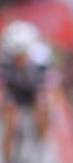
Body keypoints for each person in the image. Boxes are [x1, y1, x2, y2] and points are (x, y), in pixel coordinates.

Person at [0, 20, 54, 162]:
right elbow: (3, 85)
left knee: (43, 106)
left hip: (34, 89)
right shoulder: (5, 59)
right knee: (9, 118)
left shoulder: (41, 58)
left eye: (22, 54)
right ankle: (7, 156)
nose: (19, 58)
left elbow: (48, 84)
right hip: (15, 90)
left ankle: (41, 139)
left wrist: (45, 102)